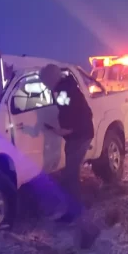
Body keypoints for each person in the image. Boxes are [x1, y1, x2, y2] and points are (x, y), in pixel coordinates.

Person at [39, 64, 95, 224]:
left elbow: (68, 112)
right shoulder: (68, 87)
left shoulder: (64, 92)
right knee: (70, 174)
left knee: (70, 175)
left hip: (79, 136)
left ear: (51, 79)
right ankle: (76, 206)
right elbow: (77, 111)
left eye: (45, 81)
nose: (44, 84)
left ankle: (75, 211)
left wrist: (64, 130)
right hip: (80, 134)